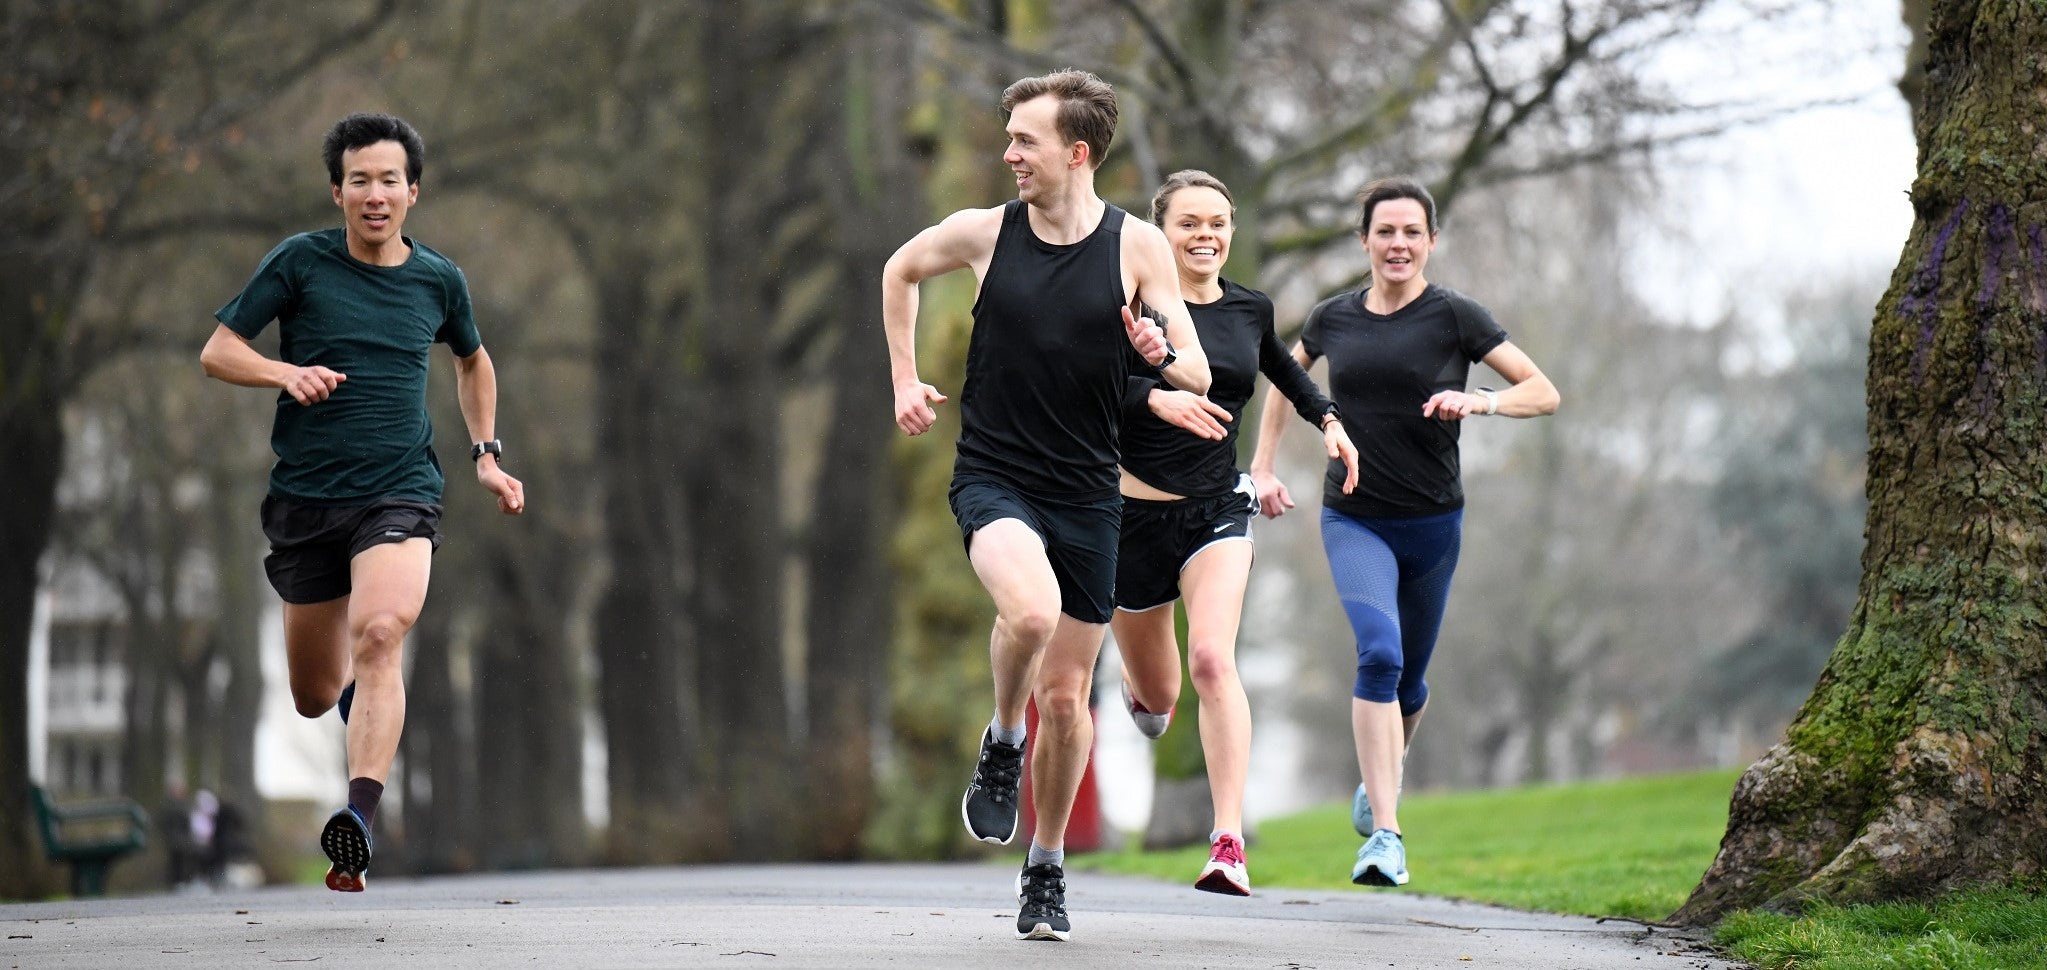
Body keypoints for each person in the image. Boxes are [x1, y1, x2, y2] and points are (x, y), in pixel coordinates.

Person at [882, 69, 1211, 942]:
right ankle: (1000, 740)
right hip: (994, 474)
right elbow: (899, 270)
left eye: (1024, 140)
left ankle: (1047, 866)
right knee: (1027, 615)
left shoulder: (1138, 247)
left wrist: (1157, 349)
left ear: (1077, 152)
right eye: (1007, 137)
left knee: (1068, 701)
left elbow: (1197, 370)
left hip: (1088, 493)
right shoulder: (986, 233)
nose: (1007, 153)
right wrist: (905, 378)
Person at [201, 112, 525, 893]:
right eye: (359, 181)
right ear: (337, 191)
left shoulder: (438, 280)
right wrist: (286, 375)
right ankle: (361, 697)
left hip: (400, 491)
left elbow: (472, 362)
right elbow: (218, 351)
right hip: (307, 500)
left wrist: (485, 453)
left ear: (412, 191)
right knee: (315, 695)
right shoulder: (300, 264)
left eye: (389, 180)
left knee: (383, 631)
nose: (374, 194)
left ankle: (357, 821)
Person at [1249, 176, 1558, 889]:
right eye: (1383, 232)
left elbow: (1542, 391)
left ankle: (1382, 774)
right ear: (1363, 241)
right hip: (1354, 517)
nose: (1396, 244)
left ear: (1430, 241)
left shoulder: (1455, 316)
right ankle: (1385, 837)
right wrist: (1262, 465)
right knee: (1379, 656)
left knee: (1410, 684)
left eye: (1410, 233)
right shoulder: (1332, 318)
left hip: (1433, 523)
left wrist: (1478, 403)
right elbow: (1282, 381)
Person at [1111, 170, 1358, 897]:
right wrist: (1156, 395)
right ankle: (1140, 692)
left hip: (1215, 509)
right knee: (1159, 697)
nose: (1205, 235)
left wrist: (1330, 421)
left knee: (1213, 661)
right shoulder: (1126, 308)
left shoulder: (1248, 309)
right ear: (1160, 232)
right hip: (1129, 517)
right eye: (1189, 222)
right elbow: (1090, 391)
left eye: (1217, 222)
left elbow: (1285, 372)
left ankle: (1226, 842)